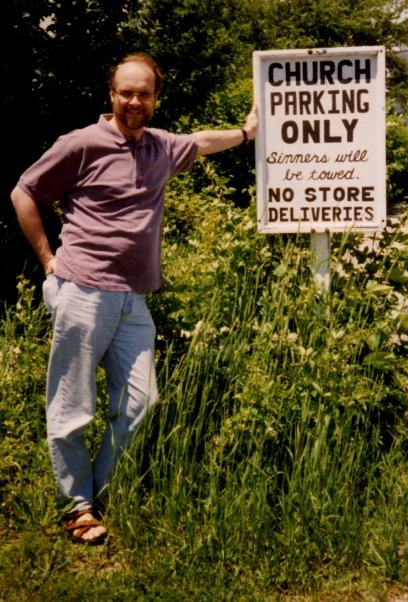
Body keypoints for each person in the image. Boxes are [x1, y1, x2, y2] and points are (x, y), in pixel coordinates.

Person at [10, 51, 258, 545]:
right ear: (112, 95)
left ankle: (101, 493)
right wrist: (48, 260)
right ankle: (77, 507)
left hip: (133, 301)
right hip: (82, 290)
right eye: (126, 92)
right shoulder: (81, 143)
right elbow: (24, 192)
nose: (134, 101)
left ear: (155, 98)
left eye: (143, 93)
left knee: (141, 403)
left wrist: (247, 133)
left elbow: (201, 141)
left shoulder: (159, 147)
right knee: (73, 405)